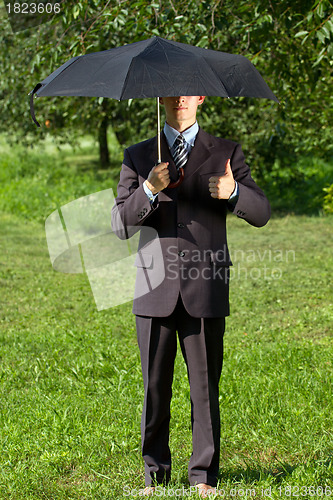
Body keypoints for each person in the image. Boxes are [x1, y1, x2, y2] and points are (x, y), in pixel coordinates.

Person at [111, 96, 270, 497]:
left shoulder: (226, 152)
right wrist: (149, 187)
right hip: (154, 288)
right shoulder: (138, 155)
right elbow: (119, 224)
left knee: (204, 386)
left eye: (189, 91)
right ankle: (155, 473)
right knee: (154, 387)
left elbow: (262, 211)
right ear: (161, 98)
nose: (180, 99)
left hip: (206, 285)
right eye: (172, 92)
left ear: (200, 97)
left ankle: (204, 476)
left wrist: (234, 193)